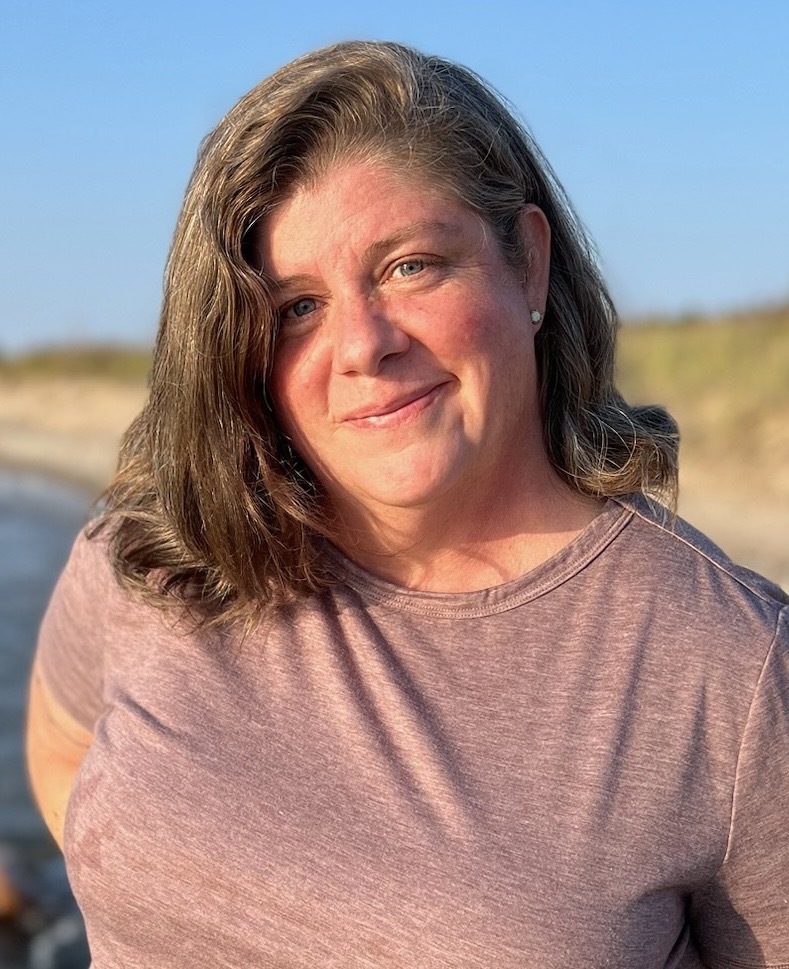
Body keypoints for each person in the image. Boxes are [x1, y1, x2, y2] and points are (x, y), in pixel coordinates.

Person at [26, 40, 789, 969]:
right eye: (296, 306)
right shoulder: (162, 547)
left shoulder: (729, 667)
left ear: (528, 263)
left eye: (410, 266)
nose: (363, 345)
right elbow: (61, 750)